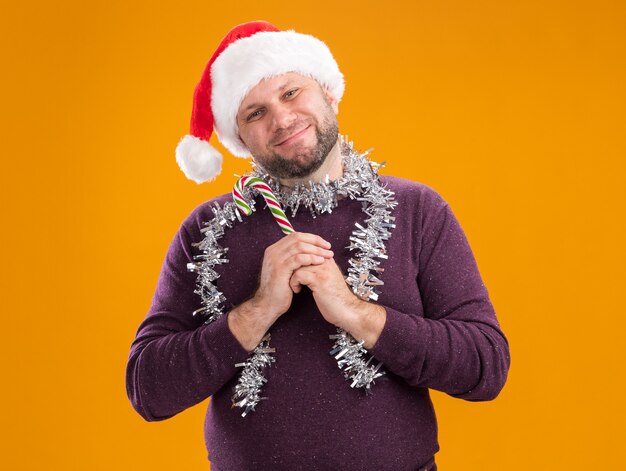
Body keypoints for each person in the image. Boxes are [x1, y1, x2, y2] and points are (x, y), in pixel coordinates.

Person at [125, 20, 510, 471]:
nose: (281, 119)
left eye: (291, 93)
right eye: (255, 112)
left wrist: (355, 312)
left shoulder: (416, 210)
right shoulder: (208, 230)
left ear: (327, 92)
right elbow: (147, 389)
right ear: (240, 139)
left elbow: (485, 366)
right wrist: (258, 310)